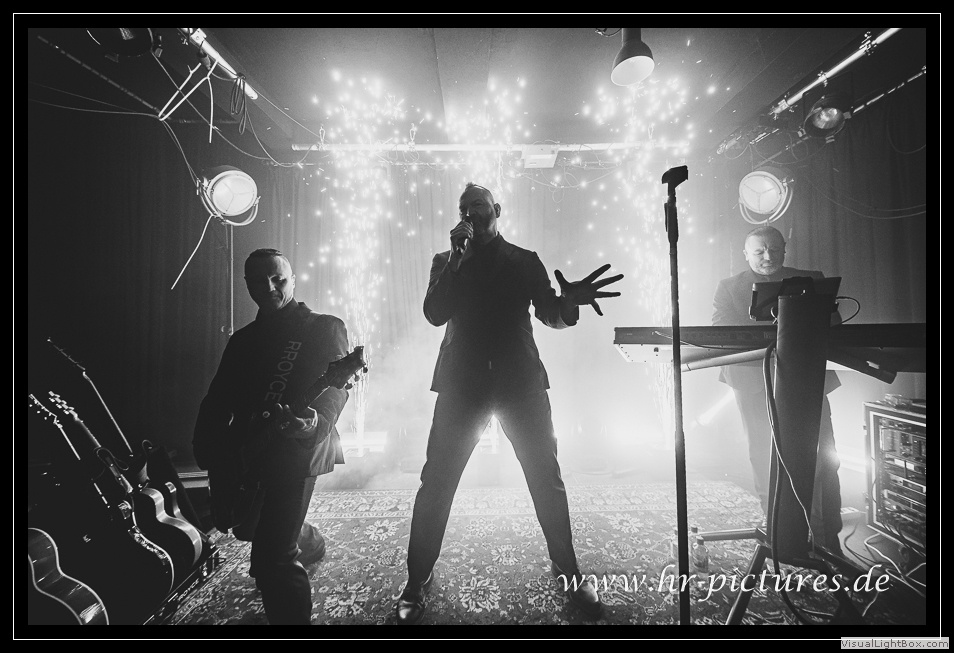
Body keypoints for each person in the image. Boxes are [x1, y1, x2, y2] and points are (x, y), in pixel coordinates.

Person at [395, 182, 623, 624]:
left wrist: (568, 304)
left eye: (478, 205)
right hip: (463, 386)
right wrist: (456, 260)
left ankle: (568, 571)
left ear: (497, 209)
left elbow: (550, 314)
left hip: (520, 384)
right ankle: (416, 579)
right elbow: (434, 313)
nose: (470, 213)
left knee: (546, 480)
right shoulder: (446, 261)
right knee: (436, 484)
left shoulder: (524, 260)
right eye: (463, 208)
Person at [192, 248, 350, 624]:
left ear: (293, 280)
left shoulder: (323, 327)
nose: (270, 288)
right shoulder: (242, 341)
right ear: (247, 286)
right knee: (248, 528)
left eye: (278, 279)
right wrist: (210, 452)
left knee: (272, 559)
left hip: (298, 451)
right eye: (259, 281)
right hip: (252, 451)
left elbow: (336, 390)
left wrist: (312, 424)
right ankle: (306, 538)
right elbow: (217, 400)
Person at [712, 225, 843, 553]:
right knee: (763, 457)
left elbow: (835, 323)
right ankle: (778, 535)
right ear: (746, 254)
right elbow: (720, 329)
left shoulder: (812, 280)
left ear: (785, 249)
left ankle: (828, 539)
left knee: (824, 457)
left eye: (774, 249)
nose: (768, 256)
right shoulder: (728, 287)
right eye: (759, 251)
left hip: (808, 378)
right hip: (752, 381)